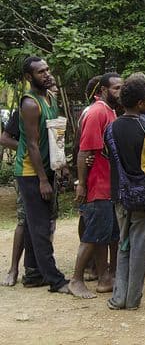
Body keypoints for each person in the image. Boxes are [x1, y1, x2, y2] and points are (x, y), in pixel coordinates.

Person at [107, 76, 145, 310]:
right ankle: (133, 299)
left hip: (120, 196)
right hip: (143, 196)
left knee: (123, 244)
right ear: (142, 104)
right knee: (140, 245)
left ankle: (118, 297)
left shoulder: (110, 128)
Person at [15, 56, 70, 294]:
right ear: (29, 77)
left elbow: (56, 134)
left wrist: (62, 165)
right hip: (30, 172)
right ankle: (55, 280)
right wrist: (42, 179)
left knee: (32, 223)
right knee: (40, 226)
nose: (47, 74)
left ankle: (33, 274)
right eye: (40, 72)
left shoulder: (50, 97)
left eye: (47, 69)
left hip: (47, 168)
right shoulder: (30, 104)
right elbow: (33, 145)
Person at [69, 72, 122, 299]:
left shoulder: (110, 111)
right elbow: (84, 151)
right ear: (103, 90)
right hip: (97, 185)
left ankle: (104, 278)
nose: (120, 92)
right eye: (116, 88)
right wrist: (81, 184)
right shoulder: (98, 111)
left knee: (105, 235)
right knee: (92, 235)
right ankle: (76, 279)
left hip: (108, 184)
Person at [0, 109, 24, 287]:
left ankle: (37, 266)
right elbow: (5, 138)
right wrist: (28, 148)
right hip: (26, 171)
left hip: (49, 170)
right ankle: (13, 268)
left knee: (47, 222)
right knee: (24, 220)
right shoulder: (24, 109)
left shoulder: (51, 107)